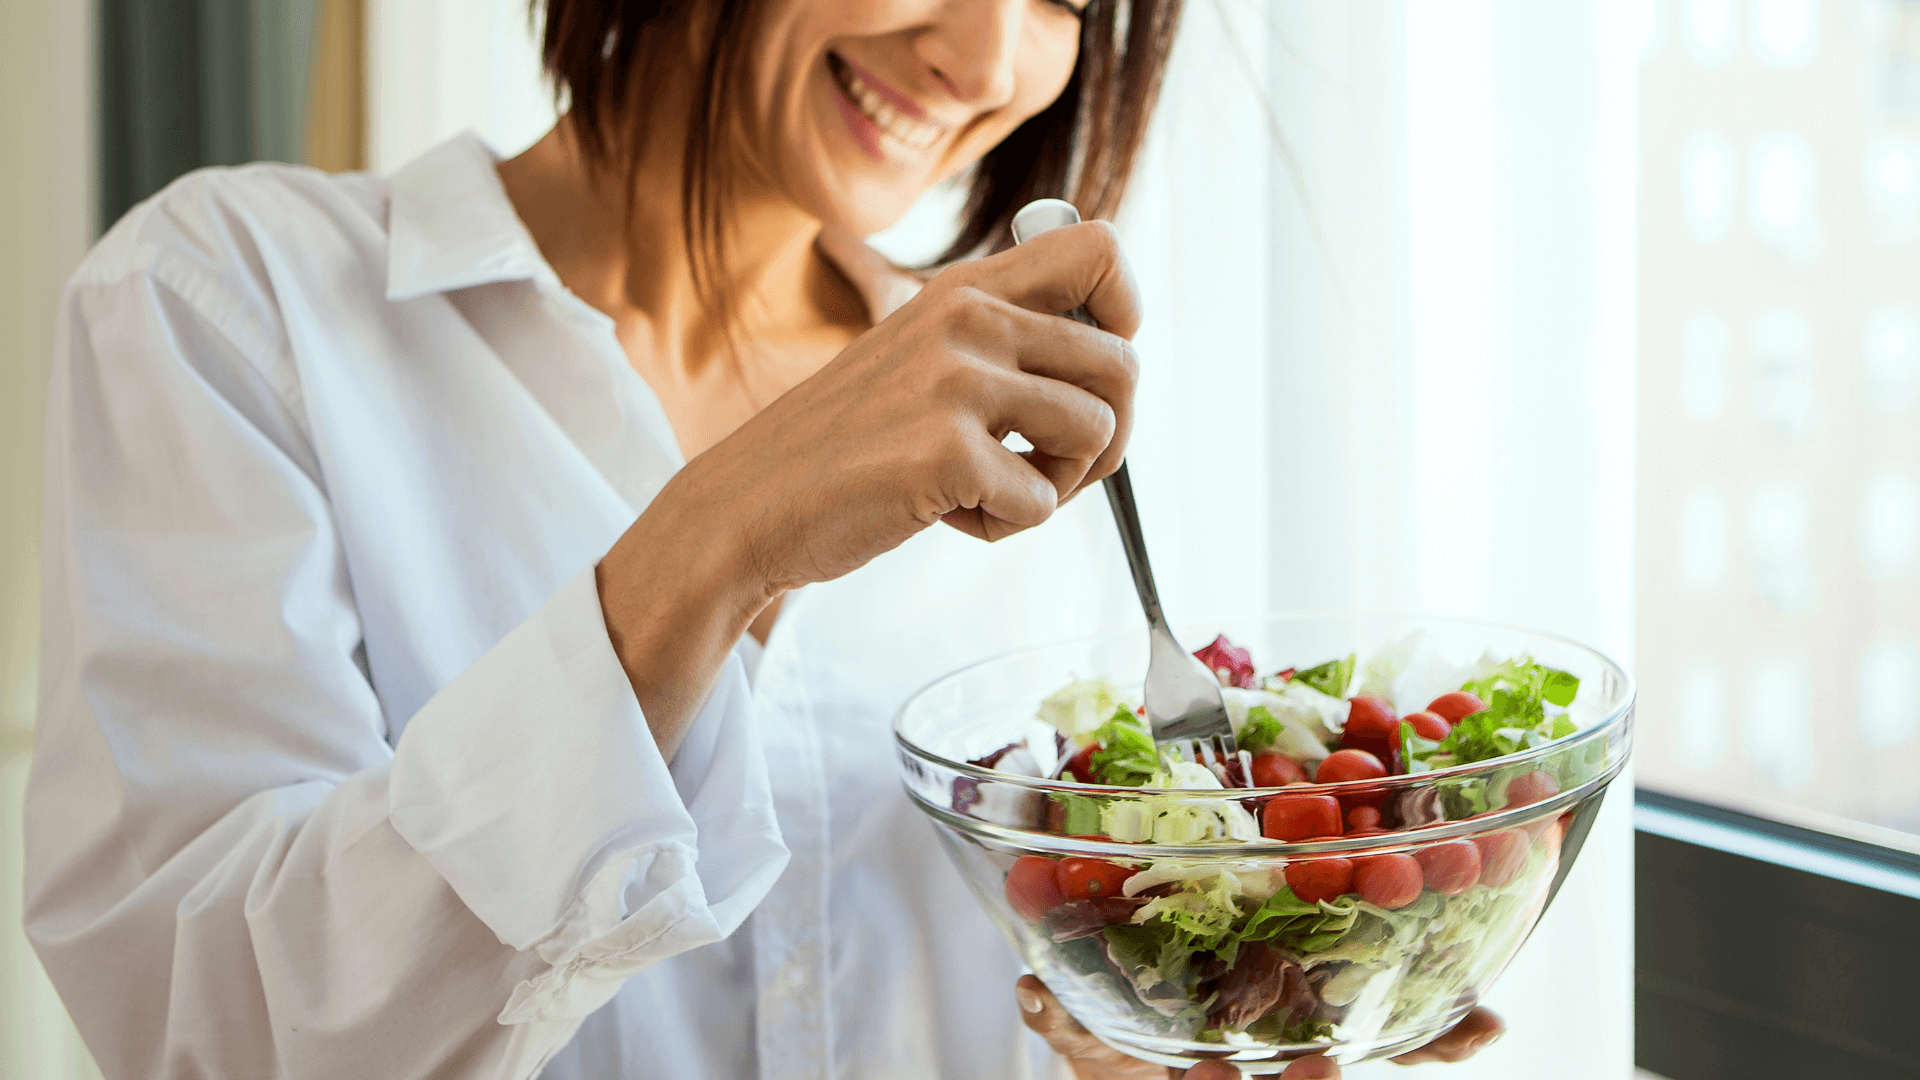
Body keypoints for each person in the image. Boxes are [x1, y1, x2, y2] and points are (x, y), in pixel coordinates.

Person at [24, 1, 1503, 1077]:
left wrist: (1166, 1044)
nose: (989, 60)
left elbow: (1017, 1009)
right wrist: (716, 537)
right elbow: (201, 1033)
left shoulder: (1025, 437)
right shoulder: (230, 304)